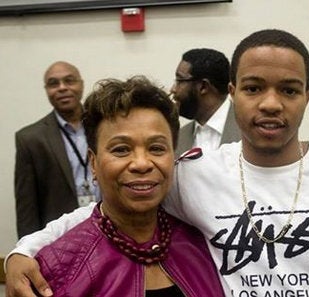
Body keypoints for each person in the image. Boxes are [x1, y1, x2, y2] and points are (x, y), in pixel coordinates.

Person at [5, 29, 309, 297]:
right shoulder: (194, 173)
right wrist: (23, 250)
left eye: (289, 89)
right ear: (233, 92)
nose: (270, 103)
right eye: (253, 88)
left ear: (308, 96)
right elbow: (102, 214)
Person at [11, 75, 225, 296]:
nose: (142, 163)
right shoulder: (55, 270)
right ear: (93, 163)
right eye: (121, 149)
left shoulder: (205, 243)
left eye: (157, 148)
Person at [14, 61, 98, 238]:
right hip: (60, 237)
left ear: (81, 84)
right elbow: (26, 207)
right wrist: (27, 250)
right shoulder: (30, 138)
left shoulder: (103, 126)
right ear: (46, 90)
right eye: (53, 84)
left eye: (69, 81)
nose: (62, 88)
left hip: (108, 227)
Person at [170, 48, 241, 157]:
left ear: (203, 86)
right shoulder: (178, 138)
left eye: (180, 81)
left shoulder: (248, 131)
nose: (173, 89)